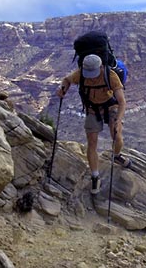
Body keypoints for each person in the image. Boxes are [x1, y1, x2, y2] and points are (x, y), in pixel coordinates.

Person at [56, 54, 131, 194]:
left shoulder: (111, 76)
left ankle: (116, 155)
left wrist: (118, 120)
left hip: (111, 107)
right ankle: (95, 176)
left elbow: (121, 101)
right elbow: (67, 80)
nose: (91, 77)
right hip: (92, 109)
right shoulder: (80, 74)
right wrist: (62, 89)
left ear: (101, 67)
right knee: (92, 142)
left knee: (117, 136)